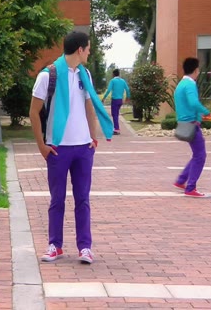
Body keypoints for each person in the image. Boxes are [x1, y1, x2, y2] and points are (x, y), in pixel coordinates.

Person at [29, 32, 114, 264]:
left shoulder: (85, 74)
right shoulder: (48, 75)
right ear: (80, 49)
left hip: (83, 148)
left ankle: (85, 247)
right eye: (88, 48)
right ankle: (54, 245)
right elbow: (33, 112)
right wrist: (42, 146)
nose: (89, 52)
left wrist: (93, 138)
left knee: (82, 199)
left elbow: (89, 106)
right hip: (57, 148)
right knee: (57, 199)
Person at [173, 58, 210, 198]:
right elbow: (193, 103)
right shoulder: (190, 84)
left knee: (197, 154)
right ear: (195, 70)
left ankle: (181, 180)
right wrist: (205, 112)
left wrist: (199, 115)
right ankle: (190, 187)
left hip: (184, 123)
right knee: (200, 156)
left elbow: (186, 105)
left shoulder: (181, 84)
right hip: (191, 124)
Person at [102, 69, 132, 135]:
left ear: (113, 74)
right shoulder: (123, 81)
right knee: (116, 114)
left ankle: (116, 129)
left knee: (114, 114)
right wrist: (128, 97)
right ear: (119, 74)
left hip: (114, 99)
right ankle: (116, 128)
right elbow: (127, 89)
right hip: (120, 100)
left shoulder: (112, 81)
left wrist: (104, 98)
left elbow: (109, 90)